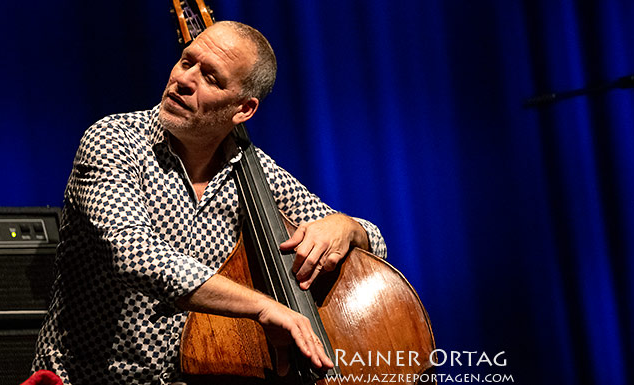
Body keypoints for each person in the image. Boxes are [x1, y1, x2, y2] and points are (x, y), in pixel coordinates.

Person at [32, 20, 386, 385]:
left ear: (243, 110)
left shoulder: (255, 171)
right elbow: (135, 255)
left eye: (212, 79)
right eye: (187, 62)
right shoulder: (114, 141)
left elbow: (375, 247)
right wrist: (263, 306)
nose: (185, 80)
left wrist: (347, 227)